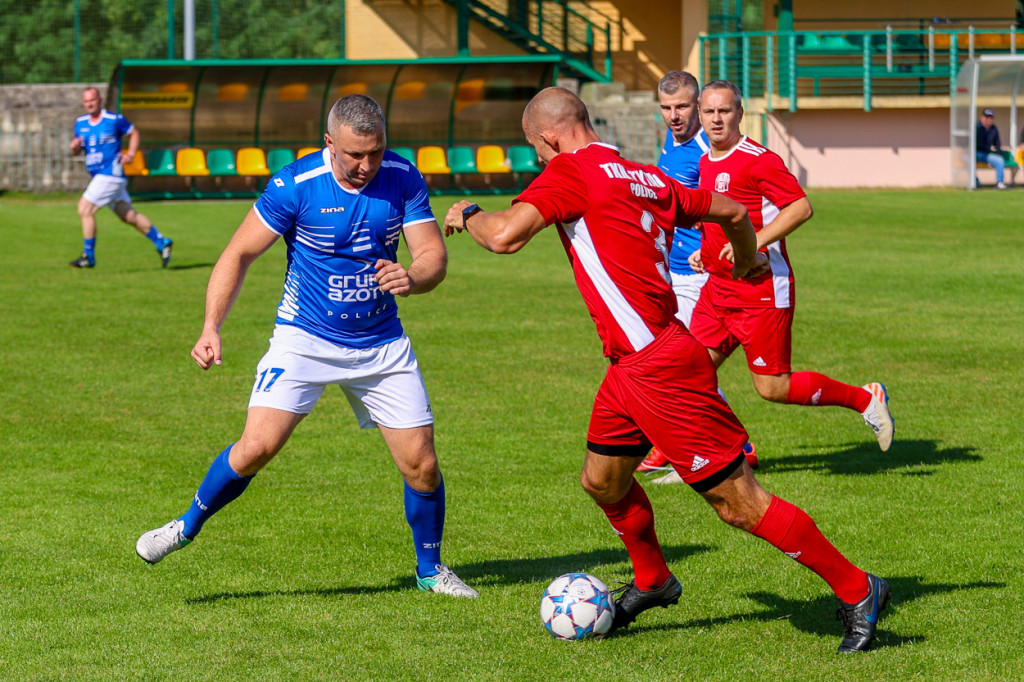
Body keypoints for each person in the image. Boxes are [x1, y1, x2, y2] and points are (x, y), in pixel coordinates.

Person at [442, 86, 889, 652]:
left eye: (536, 150)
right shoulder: (643, 175)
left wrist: (469, 212)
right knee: (602, 480)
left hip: (660, 368)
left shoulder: (571, 171)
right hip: (632, 367)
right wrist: (746, 256)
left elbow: (505, 236)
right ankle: (654, 580)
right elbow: (729, 210)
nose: (538, 161)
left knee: (738, 502)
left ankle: (858, 589)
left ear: (549, 137)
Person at [135, 95, 478, 599]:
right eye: (355, 155)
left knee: (421, 463)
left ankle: (430, 571)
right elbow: (239, 254)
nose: (367, 166)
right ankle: (185, 525)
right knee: (256, 449)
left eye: (376, 153)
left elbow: (432, 253)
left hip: (381, 343)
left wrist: (413, 275)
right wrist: (211, 326)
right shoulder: (294, 185)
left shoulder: (402, 176)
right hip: (304, 339)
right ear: (328, 144)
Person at [688, 80, 895, 453]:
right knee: (690, 375)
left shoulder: (759, 159)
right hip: (717, 291)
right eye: (709, 112)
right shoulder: (705, 161)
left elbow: (800, 207)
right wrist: (706, 249)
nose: (716, 119)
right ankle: (720, 457)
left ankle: (865, 399)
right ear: (700, 114)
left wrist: (755, 245)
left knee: (773, 388)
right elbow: (725, 216)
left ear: (740, 113)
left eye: (724, 111)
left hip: (762, 289)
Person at [638, 70, 757, 482]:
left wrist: (714, 253)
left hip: (700, 276)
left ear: (698, 105)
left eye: (683, 107)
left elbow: (739, 210)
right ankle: (695, 447)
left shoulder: (711, 147)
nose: (674, 115)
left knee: (683, 366)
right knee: (676, 364)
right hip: (669, 270)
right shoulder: (673, 140)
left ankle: (719, 448)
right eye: (666, 108)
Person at [69, 87, 173, 268]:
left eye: (92, 100)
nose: (89, 104)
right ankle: (161, 241)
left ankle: (88, 256)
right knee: (128, 215)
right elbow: (77, 149)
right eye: (86, 101)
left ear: (99, 99)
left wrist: (131, 154)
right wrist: (74, 147)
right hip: (100, 176)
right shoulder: (80, 123)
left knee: (84, 208)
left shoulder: (113, 119)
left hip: (110, 173)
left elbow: (134, 133)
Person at [975, 109, 1006, 189]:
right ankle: (975, 181)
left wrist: (999, 154)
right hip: (975, 153)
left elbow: (997, 144)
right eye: (987, 117)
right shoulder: (976, 127)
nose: (989, 119)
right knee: (966, 159)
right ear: (982, 117)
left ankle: (999, 182)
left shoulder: (994, 129)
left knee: (999, 160)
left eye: (991, 117)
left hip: (986, 154)